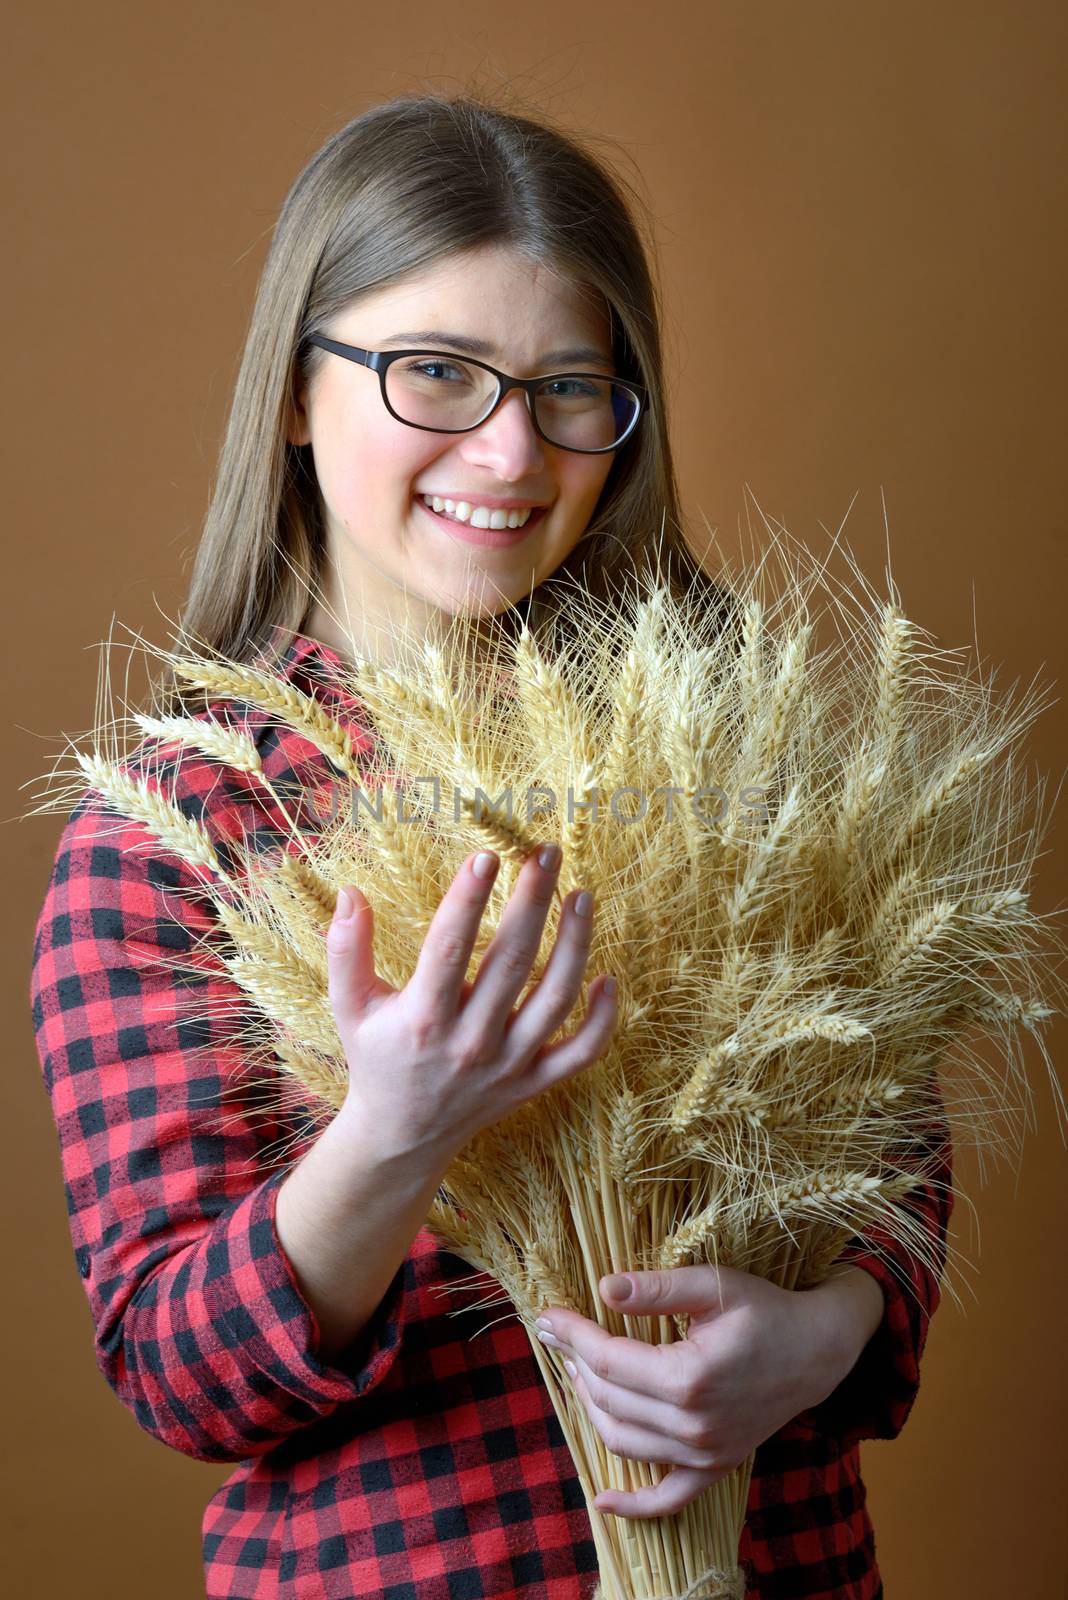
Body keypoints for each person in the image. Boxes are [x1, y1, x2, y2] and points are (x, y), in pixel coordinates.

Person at [30, 92, 953, 1599]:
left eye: (569, 387)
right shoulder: (176, 841)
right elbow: (180, 1374)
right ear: (292, 391)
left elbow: (893, 1150)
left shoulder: (735, 758)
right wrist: (393, 1137)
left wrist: (826, 1336)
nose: (513, 450)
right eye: (436, 373)